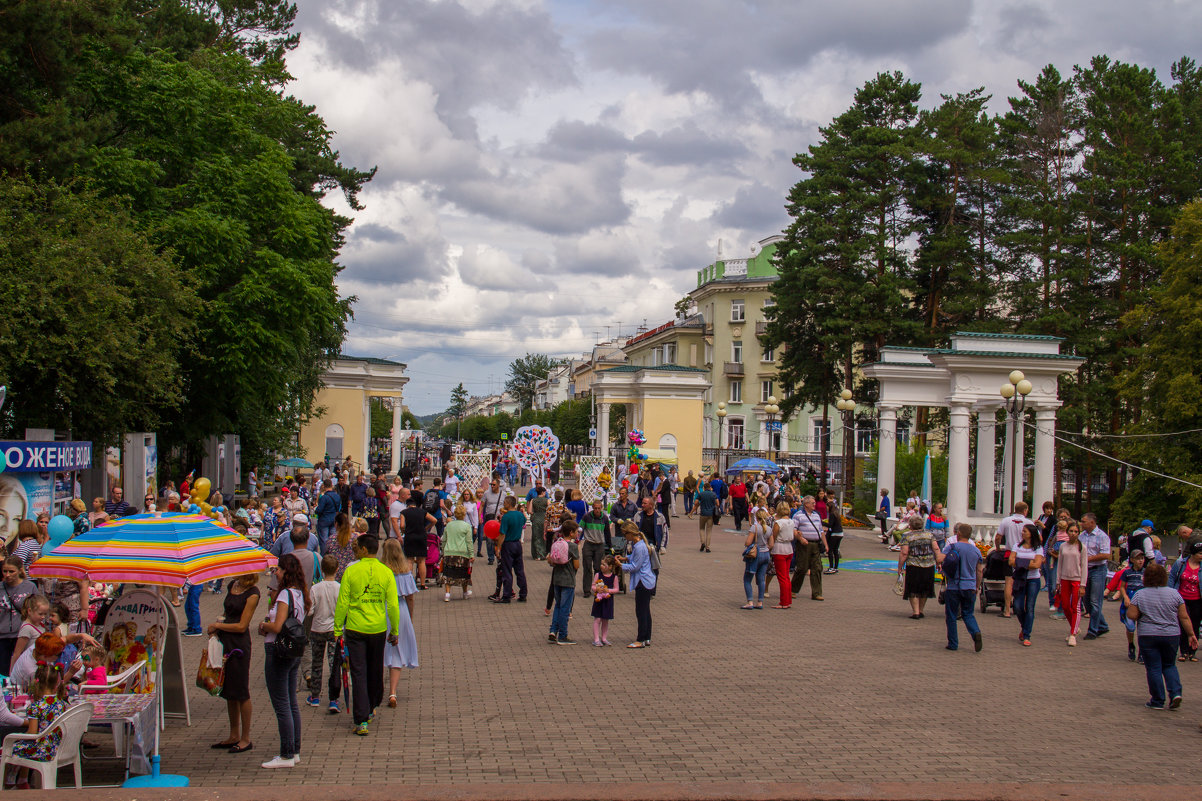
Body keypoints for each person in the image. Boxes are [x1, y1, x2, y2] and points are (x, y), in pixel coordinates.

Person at [334, 533, 400, 737]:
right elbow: (393, 604)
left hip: (355, 628)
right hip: (378, 629)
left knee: (359, 672)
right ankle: (371, 706)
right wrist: (395, 629)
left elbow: (343, 601)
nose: (355, 551)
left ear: (364, 550)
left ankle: (361, 718)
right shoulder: (386, 571)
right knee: (374, 670)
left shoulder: (351, 571)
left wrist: (337, 628)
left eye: (357, 548)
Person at [259, 553, 309, 768]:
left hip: (277, 650)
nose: (275, 573)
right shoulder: (300, 593)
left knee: (282, 705)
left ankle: (286, 754)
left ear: (285, 571)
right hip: (293, 651)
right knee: (291, 703)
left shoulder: (284, 595)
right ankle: (294, 750)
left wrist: (263, 626)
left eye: (277, 569)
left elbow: (277, 626)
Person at [1128, 562, 1196, 710]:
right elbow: (1184, 617)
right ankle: (1175, 693)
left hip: (1148, 634)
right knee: (1169, 665)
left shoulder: (1140, 594)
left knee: (1153, 668)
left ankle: (1157, 700)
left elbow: (1131, 615)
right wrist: (1191, 634)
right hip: (1171, 634)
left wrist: (1142, 612)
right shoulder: (1174, 594)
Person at [207, 573, 260, 753]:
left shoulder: (253, 593)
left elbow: (242, 626)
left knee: (241, 690)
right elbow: (226, 613)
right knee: (229, 690)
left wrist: (218, 626)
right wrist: (218, 625)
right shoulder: (232, 585)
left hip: (239, 644)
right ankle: (233, 734)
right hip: (225, 641)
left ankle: (246, 737)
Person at [9, 649, 70, 788]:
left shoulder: (36, 707)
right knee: (26, 745)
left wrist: (18, 737)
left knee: (13, 748)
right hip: (59, 746)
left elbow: (32, 733)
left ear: (37, 683)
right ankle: (22, 781)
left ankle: (13, 780)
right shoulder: (62, 704)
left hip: (43, 749)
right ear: (57, 684)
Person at [380, 539, 419, 708]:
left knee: (379, 649)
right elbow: (410, 597)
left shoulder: (381, 571)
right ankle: (393, 692)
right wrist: (410, 617)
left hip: (381, 610)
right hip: (400, 610)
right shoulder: (405, 571)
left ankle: (378, 687)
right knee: (396, 650)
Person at [936, 523, 984, 652]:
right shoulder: (976, 550)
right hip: (969, 586)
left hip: (954, 585)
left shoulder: (953, 546)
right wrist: (977, 586)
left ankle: (953, 643)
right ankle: (975, 632)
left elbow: (940, 558)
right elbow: (979, 571)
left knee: (951, 615)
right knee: (968, 613)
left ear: (959, 534)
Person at [305, 556, 342, 712]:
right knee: (334, 664)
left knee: (317, 663)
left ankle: (315, 696)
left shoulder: (315, 588)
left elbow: (310, 611)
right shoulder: (340, 587)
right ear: (337, 569)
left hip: (317, 629)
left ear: (322, 569)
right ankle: (333, 699)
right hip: (334, 630)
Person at [618, 522, 656, 648]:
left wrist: (620, 565)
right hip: (646, 580)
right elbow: (635, 559)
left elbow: (635, 567)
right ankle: (647, 637)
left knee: (641, 611)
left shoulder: (639, 546)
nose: (625, 537)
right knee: (646, 610)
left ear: (630, 533)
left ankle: (640, 639)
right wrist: (626, 558)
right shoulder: (638, 544)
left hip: (642, 581)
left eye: (625, 534)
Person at [1009, 524, 1045, 646]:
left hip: (1033, 579)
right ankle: (1025, 626)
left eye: (1025, 531)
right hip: (1019, 578)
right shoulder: (1017, 546)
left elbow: (1037, 564)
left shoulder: (1038, 548)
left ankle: (1027, 634)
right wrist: (1028, 562)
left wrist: (1020, 562)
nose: (1022, 533)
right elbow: (1011, 561)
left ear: (1031, 533)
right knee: (1018, 606)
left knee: (1029, 607)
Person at [1109, 550, 1148, 661]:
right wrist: (1125, 597)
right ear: (1132, 560)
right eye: (1138, 558)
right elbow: (1122, 587)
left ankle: (1142, 652)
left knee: (1143, 628)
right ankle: (1131, 644)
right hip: (1130, 601)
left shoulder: (1146, 572)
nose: (1140, 561)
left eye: (1142, 558)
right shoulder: (1127, 573)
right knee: (1130, 626)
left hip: (1142, 602)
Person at [1055, 520, 1088, 647]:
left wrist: (1083, 585)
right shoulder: (1063, 546)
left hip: (1077, 580)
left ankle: (1073, 634)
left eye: (1076, 531)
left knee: (1075, 607)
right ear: (1067, 532)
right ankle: (1074, 626)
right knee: (1065, 606)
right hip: (1064, 579)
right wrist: (1058, 582)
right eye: (1071, 531)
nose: (1073, 533)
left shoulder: (1082, 547)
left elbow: (1084, 566)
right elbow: (1060, 565)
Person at [547, 520, 580, 645]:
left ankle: (553, 630)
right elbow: (576, 565)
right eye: (576, 532)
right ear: (571, 533)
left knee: (558, 605)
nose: (577, 534)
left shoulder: (557, 542)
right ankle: (563, 635)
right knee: (565, 608)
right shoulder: (573, 546)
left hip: (557, 578)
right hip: (568, 580)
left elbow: (552, 560)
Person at [0, 556, 36, 671]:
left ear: (20, 570)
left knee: (23, 668)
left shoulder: (30, 587)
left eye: (11, 571)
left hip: (23, 635)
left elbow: (38, 609)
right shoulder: (0, 587)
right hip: (2, 636)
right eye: (5, 571)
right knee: (3, 670)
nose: (7, 575)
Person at [1168, 540, 1202, 662]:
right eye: (1200, 553)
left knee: (1195, 625)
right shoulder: (1181, 563)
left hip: (1197, 600)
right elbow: (1172, 577)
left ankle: (1193, 652)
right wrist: (1171, 593)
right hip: (1182, 598)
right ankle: (1183, 652)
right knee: (1182, 625)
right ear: (1193, 553)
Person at [898, 516, 936, 619]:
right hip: (929, 565)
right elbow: (936, 548)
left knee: (913, 589)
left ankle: (916, 612)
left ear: (910, 525)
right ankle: (921, 610)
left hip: (913, 566)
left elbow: (904, 553)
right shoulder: (930, 535)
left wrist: (900, 567)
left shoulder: (907, 536)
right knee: (924, 589)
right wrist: (939, 561)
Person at [1080, 512, 1111, 640]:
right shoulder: (1082, 536)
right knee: (1086, 600)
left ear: (1092, 523)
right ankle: (1102, 625)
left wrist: (1088, 559)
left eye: (1084, 521)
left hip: (1098, 569)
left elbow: (1105, 554)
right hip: (1085, 570)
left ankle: (1093, 630)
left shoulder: (1102, 536)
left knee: (1095, 601)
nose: (1081, 524)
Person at [791, 495, 828, 601]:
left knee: (817, 568)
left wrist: (825, 544)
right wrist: (800, 538)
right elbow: (794, 529)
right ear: (806, 504)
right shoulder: (798, 515)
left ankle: (816, 593)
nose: (814, 505)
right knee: (802, 568)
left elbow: (821, 531)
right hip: (804, 545)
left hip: (815, 544)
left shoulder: (816, 515)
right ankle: (793, 589)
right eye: (812, 503)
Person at [492, 497, 527, 604]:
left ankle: (506, 595)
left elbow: (502, 534)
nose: (504, 504)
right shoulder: (520, 515)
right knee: (519, 569)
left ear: (508, 503)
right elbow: (524, 523)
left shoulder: (506, 517)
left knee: (507, 570)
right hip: (517, 543)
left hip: (508, 544)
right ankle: (523, 593)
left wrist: (498, 548)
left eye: (505, 502)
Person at [741, 509, 775, 610]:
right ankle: (760, 602)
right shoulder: (769, 529)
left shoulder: (754, 528)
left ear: (756, 517)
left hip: (756, 555)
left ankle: (750, 601)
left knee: (747, 578)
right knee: (761, 579)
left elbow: (748, 542)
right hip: (765, 554)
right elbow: (772, 544)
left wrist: (748, 545)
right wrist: (766, 547)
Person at [400, 493, 435, 590]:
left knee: (410, 560)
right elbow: (434, 520)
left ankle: (410, 583)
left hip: (410, 536)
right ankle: (423, 584)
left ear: (407, 505)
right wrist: (426, 528)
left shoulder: (404, 512)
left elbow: (402, 525)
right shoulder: (422, 511)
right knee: (421, 561)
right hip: (421, 536)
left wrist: (404, 531)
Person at [440, 504, 474, 601]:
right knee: (464, 573)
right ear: (464, 514)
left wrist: (443, 551)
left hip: (449, 552)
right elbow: (469, 541)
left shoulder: (449, 525)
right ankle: (465, 592)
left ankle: (447, 593)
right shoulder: (467, 526)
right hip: (462, 553)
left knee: (448, 573)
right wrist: (471, 554)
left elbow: (444, 540)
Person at [579, 499, 610, 598]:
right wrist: (576, 540)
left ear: (601, 508)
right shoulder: (587, 517)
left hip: (599, 545)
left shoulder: (604, 518)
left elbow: (607, 533)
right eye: (595, 508)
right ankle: (587, 590)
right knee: (587, 567)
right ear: (592, 508)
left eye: (598, 508)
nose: (597, 510)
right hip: (588, 544)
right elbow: (580, 529)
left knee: (598, 568)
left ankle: (599, 589)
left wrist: (610, 545)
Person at [770, 502, 795, 609]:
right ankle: (787, 600)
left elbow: (773, 536)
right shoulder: (791, 521)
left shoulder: (778, 522)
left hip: (779, 548)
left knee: (782, 577)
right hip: (789, 548)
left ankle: (784, 602)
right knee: (786, 576)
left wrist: (769, 547)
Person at [590, 556, 620, 646]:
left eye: (604, 564)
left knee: (605, 620)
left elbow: (616, 589)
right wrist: (596, 589)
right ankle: (596, 639)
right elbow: (593, 586)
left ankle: (604, 638)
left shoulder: (614, 577)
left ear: (610, 567)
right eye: (601, 564)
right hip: (599, 601)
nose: (601, 566)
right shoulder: (598, 575)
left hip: (608, 601)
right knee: (597, 619)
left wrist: (609, 591)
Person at [314, 479, 342, 553]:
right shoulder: (337, 496)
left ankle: (324, 555)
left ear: (324, 486)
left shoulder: (324, 497)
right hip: (334, 519)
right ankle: (332, 553)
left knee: (324, 540)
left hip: (324, 520)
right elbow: (339, 508)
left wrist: (315, 510)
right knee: (332, 538)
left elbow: (319, 510)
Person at [695, 481, 718, 553]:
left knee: (701, 528)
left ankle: (702, 543)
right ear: (710, 488)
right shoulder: (713, 494)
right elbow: (717, 503)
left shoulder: (701, 494)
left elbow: (696, 502)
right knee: (709, 530)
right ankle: (707, 547)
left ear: (704, 488)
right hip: (710, 514)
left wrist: (699, 503)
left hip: (703, 514)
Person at [528, 487, 549, 560]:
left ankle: (537, 555)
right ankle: (544, 553)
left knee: (536, 536)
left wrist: (534, 513)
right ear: (543, 492)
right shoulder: (547, 500)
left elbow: (529, 511)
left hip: (536, 519)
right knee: (543, 536)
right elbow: (549, 510)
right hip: (544, 519)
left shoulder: (533, 500)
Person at [824, 498, 843, 574]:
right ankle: (836, 567)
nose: (826, 509)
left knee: (830, 550)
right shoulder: (836, 514)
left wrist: (822, 523)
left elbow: (830, 525)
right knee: (836, 550)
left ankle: (831, 567)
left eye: (827, 507)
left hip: (834, 534)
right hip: (840, 533)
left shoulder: (832, 514)